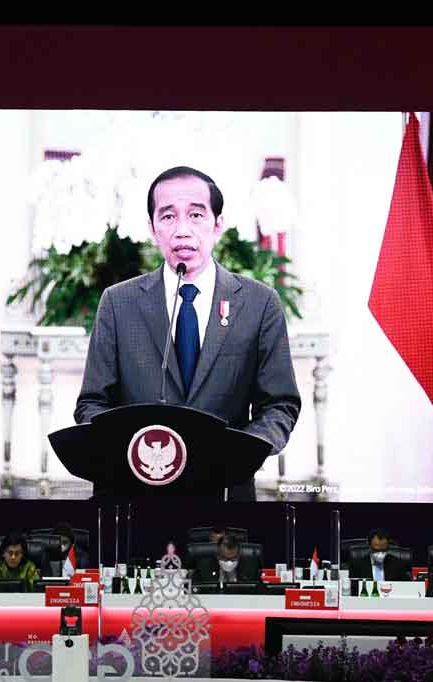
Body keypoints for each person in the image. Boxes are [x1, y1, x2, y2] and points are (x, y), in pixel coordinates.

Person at [75, 166, 302, 501]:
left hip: (225, 496)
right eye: (168, 217)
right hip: (133, 493)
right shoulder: (118, 302)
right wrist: (129, 449)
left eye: (196, 215)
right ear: (152, 228)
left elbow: (280, 404)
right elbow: (92, 404)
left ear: (218, 224)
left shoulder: (259, 303)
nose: (182, 231)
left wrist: (239, 453)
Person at [194, 536, 260, 584]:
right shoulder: (203, 566)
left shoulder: (251, 566)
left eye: (233, 558)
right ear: (217, 555)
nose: (229, 562)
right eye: (225, 558)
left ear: (239, 555)